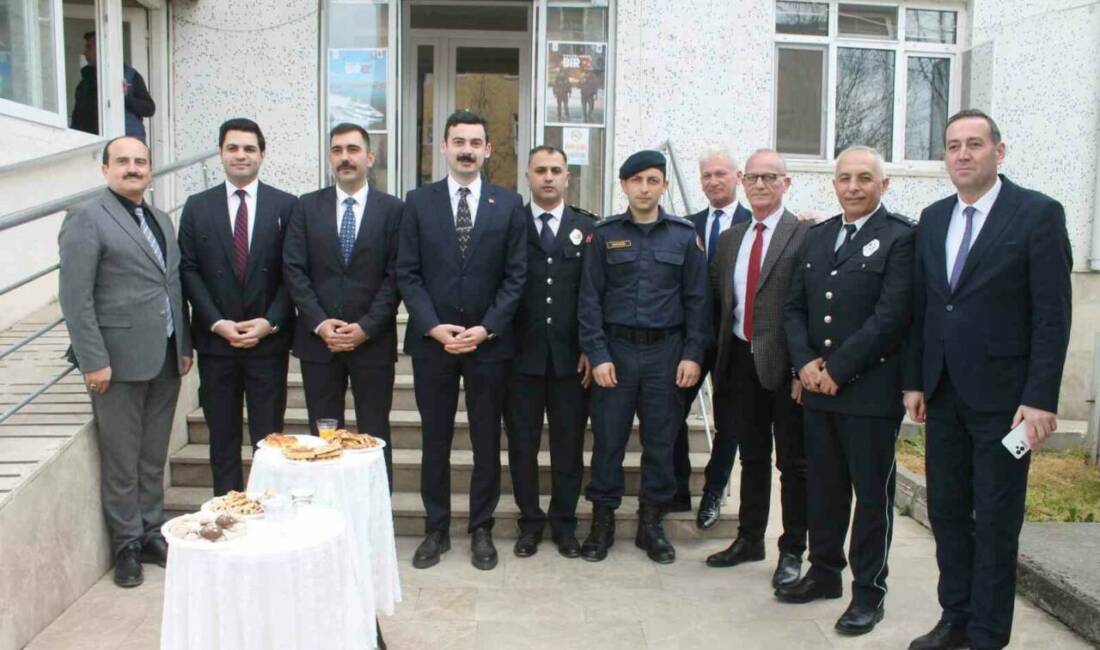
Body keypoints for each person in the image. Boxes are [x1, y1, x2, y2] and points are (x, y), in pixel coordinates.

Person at [904, 110, 1072, 650]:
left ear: (999, 152)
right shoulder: (932, 219)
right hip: (944, 395)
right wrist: (915, 382)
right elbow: (926, 308)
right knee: (947, 512)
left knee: (996, 519)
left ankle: (987, 634)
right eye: (953, 145)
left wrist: (1040, 397)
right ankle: (956, 617)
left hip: (1007, 403)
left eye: (974, 143)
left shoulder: (1037, 215)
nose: (962, 154)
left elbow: (1052, 314)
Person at [780, 146, 915, 635]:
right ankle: (824, 573)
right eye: (844, 178)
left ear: (883, 185)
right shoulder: (817, 238)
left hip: (869, 392)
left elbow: (892, 315)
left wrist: (837, 367)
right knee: (824, 488)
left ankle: (868, 593)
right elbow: (794, 309)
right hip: (818, 388)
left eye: (864, 178)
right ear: (833, 184)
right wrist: (804, 364)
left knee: (870, 497)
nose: (853, 187)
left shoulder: (901, 237)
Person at [58, 136, 192, 588]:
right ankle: (126, 545)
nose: (133, 168)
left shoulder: (159, 219)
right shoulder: (86, 218)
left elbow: (171, 286)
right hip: (115, 363)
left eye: (141, 161)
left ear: (150, 169)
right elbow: (76, 298)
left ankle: (152, 531)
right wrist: (93, 361)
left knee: (152, 455)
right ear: (105, 168)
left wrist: (184, 345)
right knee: (121, 459)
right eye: (123, 161)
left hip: (166, 358)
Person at [397, 110, 526, 571]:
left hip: (488, 346)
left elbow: (517, 277)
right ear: (444, 147)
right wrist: (433, 325)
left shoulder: (509, 205)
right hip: (433, 344)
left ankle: (481, 528)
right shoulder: (417, 201)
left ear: (488, 149)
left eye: (476, 141)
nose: (467, 149)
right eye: (459, 141)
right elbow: (407, 272)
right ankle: (436, 528)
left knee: (486, 439)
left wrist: (486, 327)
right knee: (435, 439)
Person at [577, 149, 709, 564]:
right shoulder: (604, 234)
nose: (645, 188)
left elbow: (697, 302)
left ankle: (651, 523)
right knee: (609, 441)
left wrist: (692, 355)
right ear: (624, 186)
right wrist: (596, 355)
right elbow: (589, 300)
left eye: (653, 180)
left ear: (665, 185)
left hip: (666, 354)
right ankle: (603, 521)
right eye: (637, 181)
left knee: (661, 442)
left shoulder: (684, 237)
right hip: (615, 352)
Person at [705, 149, 810, 589]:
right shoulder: (731, 239)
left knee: (793, 464)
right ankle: (750, 539)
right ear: (743, 183)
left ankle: (792, 549)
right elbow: (719, 305)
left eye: (772, 177)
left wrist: (803, 368)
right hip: (739, 364)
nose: (762, 185)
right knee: (751, 458)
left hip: (786, 370)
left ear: (786, 184)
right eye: (755, 178)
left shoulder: (805, 233)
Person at [178, 118, 297, 496]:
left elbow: (292, 273)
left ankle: (267, 512)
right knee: (222, 440)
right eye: (233, 148)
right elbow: (189, 269)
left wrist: (270, 322)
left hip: (268, 344)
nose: (241, 155)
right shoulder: (197, 207)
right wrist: (215, 322)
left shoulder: (288, 206)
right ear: (221, 153)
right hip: (217, 345)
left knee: (269, 442)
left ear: (262, 154)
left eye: (249, 148)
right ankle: (229, 513)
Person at [282, 123, 404, 486]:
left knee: (374, 435)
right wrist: (321, 323)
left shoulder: (394, 211)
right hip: (319, 344)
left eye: (353, 149)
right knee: (322, 436)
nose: (345, 157)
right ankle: (325, 509)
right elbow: (293, 270)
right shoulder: (306, 207)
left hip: (373, 344)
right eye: (337, 150)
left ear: (370, 157)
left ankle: (375, 515)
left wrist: (366, 327)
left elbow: (396, 275)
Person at [504, 145, 597, 559]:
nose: (547, 177)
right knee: (522, 446)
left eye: (555, 170)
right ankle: (530, 523)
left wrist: (590, 348)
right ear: (527, 176)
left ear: (567, 177)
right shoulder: (509, 223)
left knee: (568, 447)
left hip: (569, 360)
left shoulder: (587, 228)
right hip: (518, 358)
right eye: (539, 170)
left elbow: (593, 294)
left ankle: (564, 524)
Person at [681, 145, 752, 526]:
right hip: (692, 338)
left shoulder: (754, 221)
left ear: (738, 177)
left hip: (734, 342)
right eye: (707, 175)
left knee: (730, 421)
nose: (713, 181)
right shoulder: (685, 224)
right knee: (670, 410)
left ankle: (712, 492)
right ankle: (677, 487)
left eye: (720, 174)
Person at [70, 31, 155, 141]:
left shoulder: (130, 75)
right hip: (92, 143)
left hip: (126, 142)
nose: (85, 53)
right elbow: (78, 118)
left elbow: (149, 109)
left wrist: (125, 97)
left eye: (89, 47)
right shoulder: (85, 82)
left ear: (103, 48)